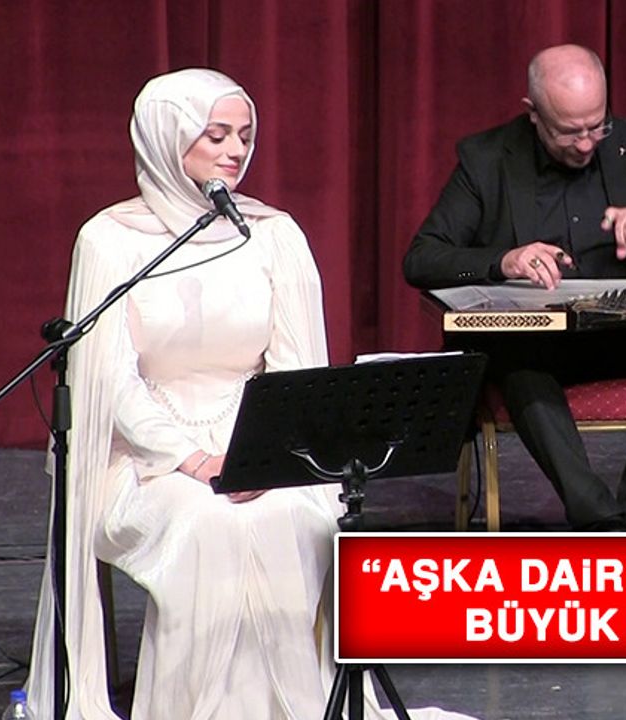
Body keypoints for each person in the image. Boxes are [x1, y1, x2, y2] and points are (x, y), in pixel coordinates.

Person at [25, 69, 474, 719]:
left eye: (243, 135)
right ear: (166, 137)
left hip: (259, 443)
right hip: (144, 457)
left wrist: (263, 458)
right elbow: (108, 382)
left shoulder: (273, 234)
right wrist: (193, 460)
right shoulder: (109, 240)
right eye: (216, 136)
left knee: (292, 518)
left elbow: (297, 373)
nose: (235, 151)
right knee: (206, 523)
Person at [403, 44, 626, 531]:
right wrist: (504, 260)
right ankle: (599, 520)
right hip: (538, 347)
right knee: (513, 360)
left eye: (596, 126)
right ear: (533, 114)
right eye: (569, 131)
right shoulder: (486, 159)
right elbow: (421, 258)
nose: (586, 144)